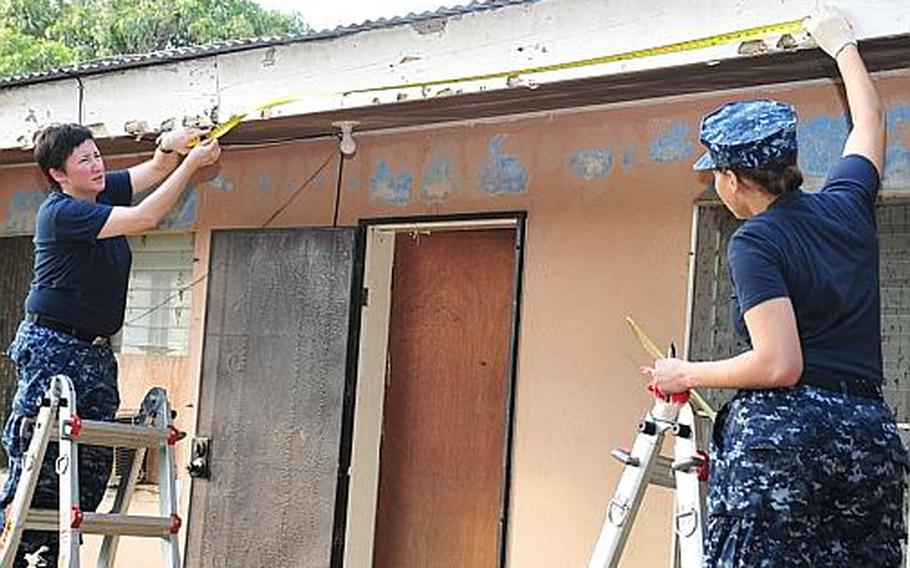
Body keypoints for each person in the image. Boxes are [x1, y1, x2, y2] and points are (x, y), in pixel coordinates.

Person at [642, 5, 908, 566]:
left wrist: (683, 372)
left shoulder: (756, 243)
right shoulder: (846, 205)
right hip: (866, 439)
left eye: (716, 172)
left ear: (733, 178)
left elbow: (779, 363)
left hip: (788, 444)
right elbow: (870, 122)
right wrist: (842, 48)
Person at [0, 123, 220, 566]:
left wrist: (170, 148)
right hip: (54, 347)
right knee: (38, 467)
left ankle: (47, 556)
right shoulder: (62, 212)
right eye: (84, 160)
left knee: (91, 473)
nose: (97, 165)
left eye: (97, 154)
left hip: (97, 353)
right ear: (58, 174)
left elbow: (152, 171)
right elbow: (146, 217)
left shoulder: (100, 192)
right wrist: (192, 166)